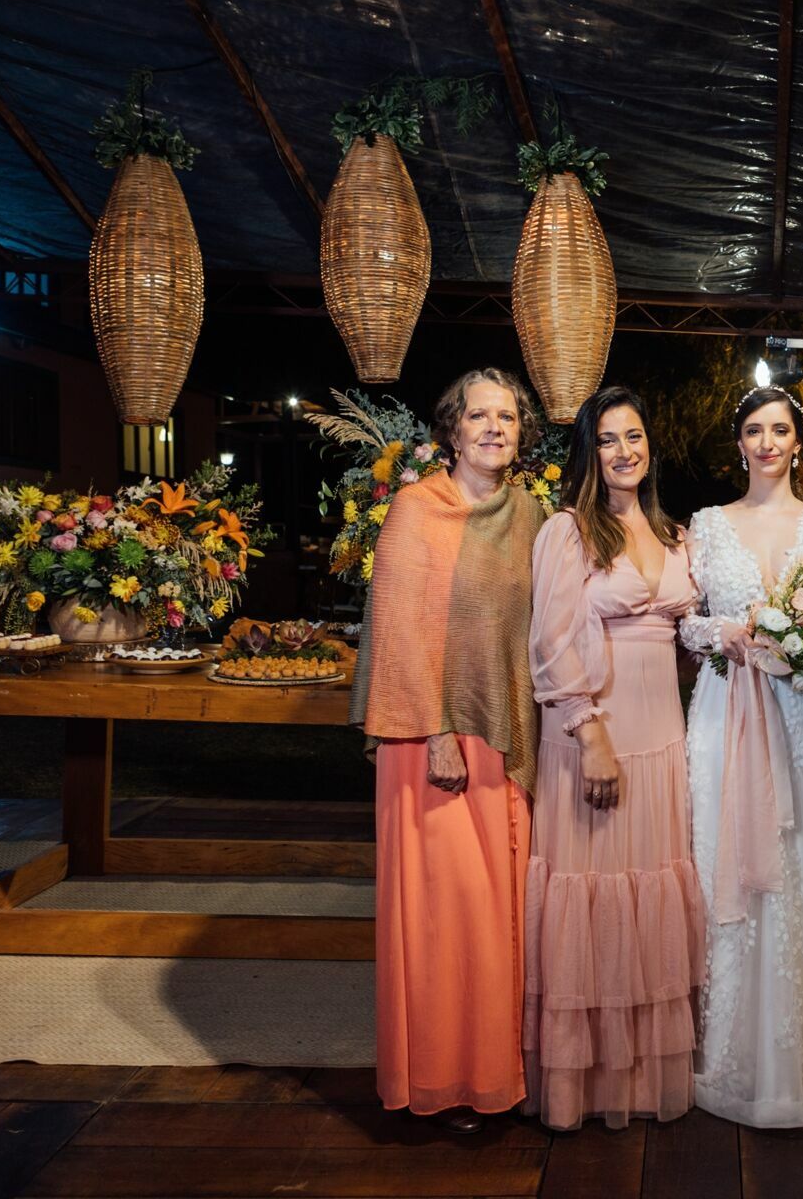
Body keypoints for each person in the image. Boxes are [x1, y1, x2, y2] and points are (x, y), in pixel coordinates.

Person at [352, 367, 545, 1134]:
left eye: (507, 417)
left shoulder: (530, 515)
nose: (494, 428)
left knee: (504, 914)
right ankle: (442, 1079)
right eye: (479, 416)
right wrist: (434, 729)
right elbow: (395, 628)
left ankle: (501, 1073)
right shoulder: (415, 508)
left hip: (503, 732)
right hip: (430, 740)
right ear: (451, 428)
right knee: (446, 917)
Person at [678, 386, 803, 1128]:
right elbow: (684, 623)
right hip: (728, 715)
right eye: (753, 430)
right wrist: (729, 630)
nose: (766, 442)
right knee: (733, 860)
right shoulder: (705, 524)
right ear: (739, 444)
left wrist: (801, 643)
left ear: (798, 443)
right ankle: (737, 1055)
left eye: (779, 430)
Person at [524, 384, 706, 1130]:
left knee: (648, 897)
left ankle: (641, 1080)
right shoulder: (568, 532)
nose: (625, 451)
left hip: (663, 741)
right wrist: (588, 732)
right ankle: (582, 1089)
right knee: (596, 894)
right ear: (587, 452)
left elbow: (698, 634)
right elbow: (551, 640)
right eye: (608, 439)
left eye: (634, 436)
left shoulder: (674, 533)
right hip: (594, 736)